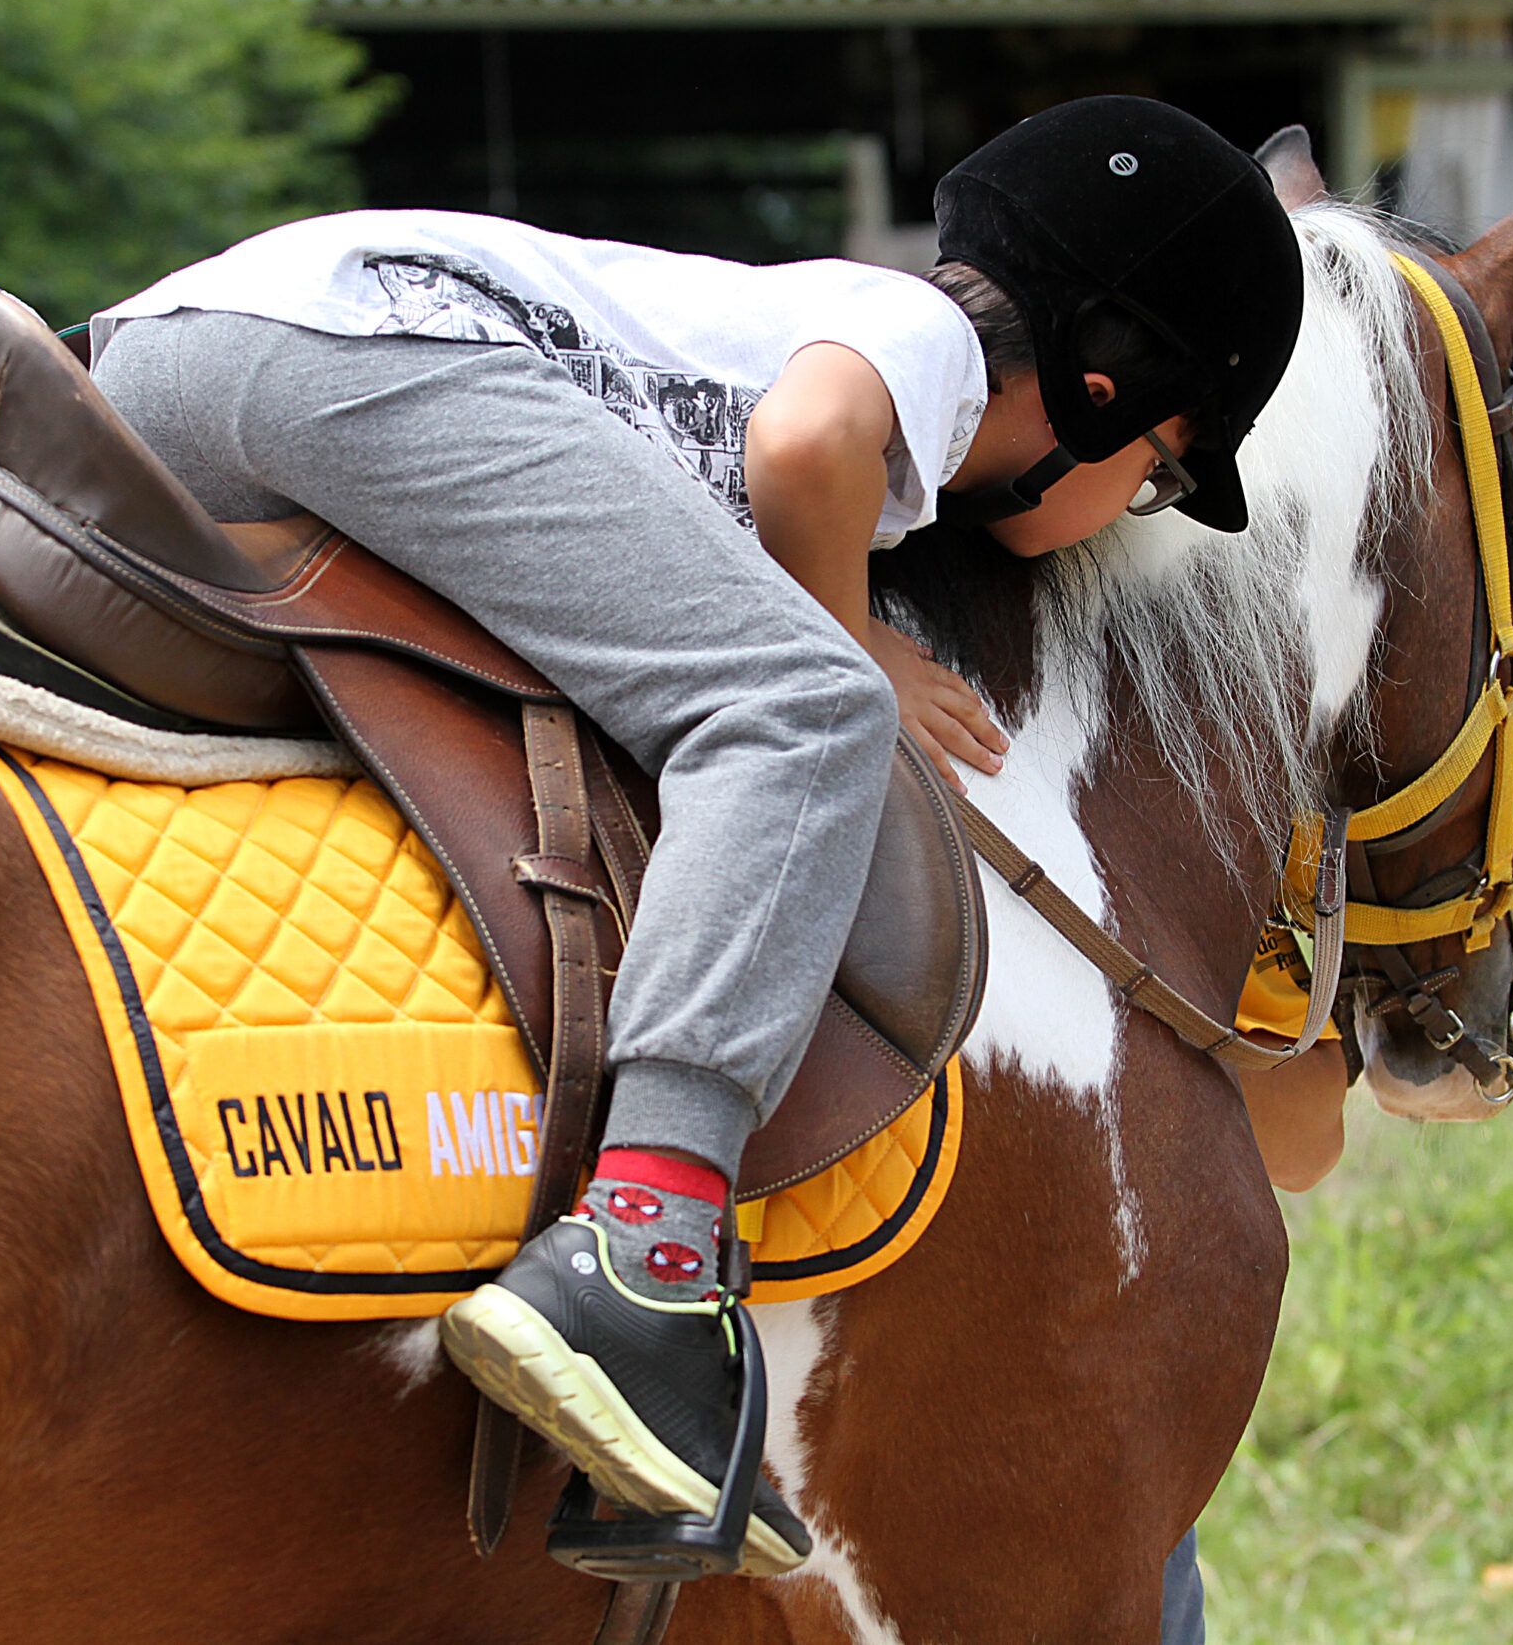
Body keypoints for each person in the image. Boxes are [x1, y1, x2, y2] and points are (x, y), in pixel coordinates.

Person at [84, 95, 1305, 1575]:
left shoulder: (791, 310)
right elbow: (807, 446)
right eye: (1167, 469)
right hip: (349, 358)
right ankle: (643, 1249)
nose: (1144, 504)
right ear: (1108, 384)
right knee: (799, 715)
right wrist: (844, 646)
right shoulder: (907, 346)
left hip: (174, 348)